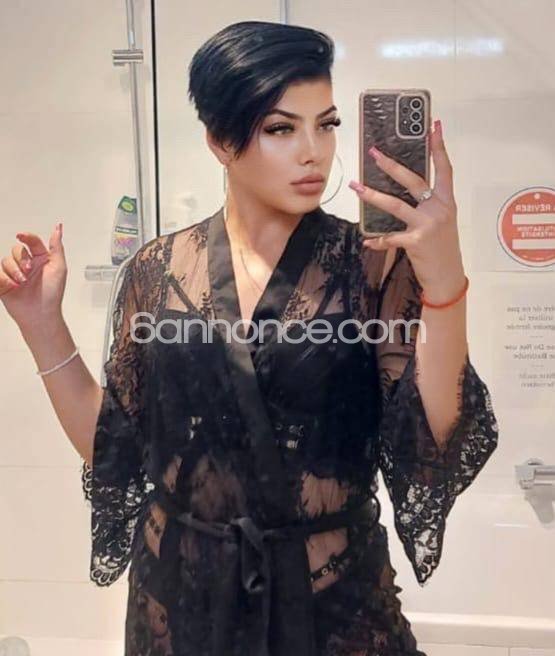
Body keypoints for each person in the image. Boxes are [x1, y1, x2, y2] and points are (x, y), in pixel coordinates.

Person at [1, 20, 499, 656]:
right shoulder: (158, 271)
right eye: (281, 129)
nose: (314, 152)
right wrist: (42, 326)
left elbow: (435, 437)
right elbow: (116, 451)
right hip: (178, 607)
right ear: (219, 139)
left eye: (326, 124)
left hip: (330, 607)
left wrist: (445, 280)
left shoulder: (371, 262)